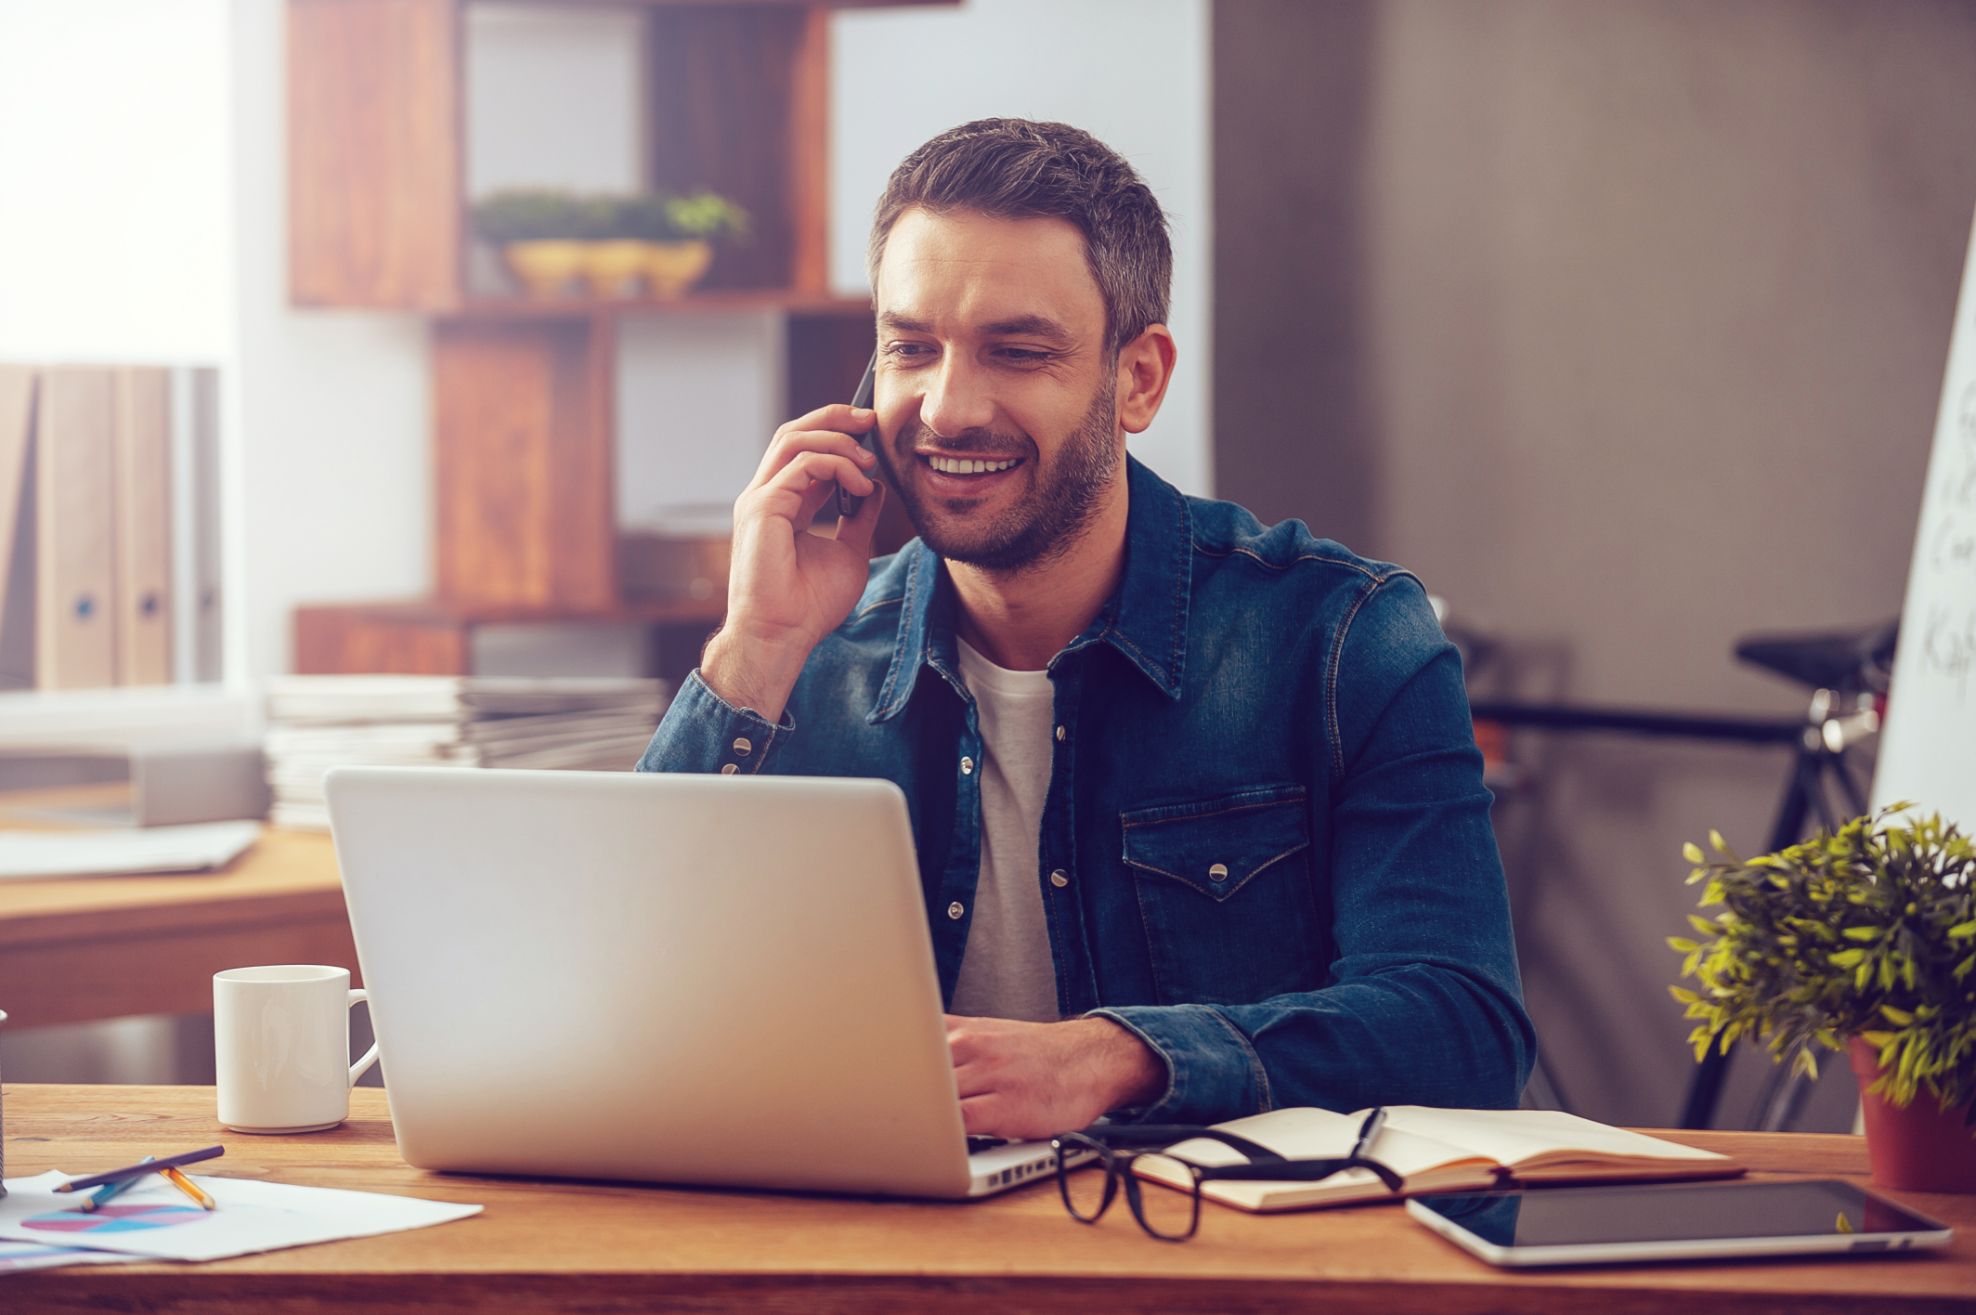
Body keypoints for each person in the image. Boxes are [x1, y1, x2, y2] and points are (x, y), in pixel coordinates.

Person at [638, 118, 1535, 1140]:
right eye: (910, 349)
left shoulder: (1345, 639)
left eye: (1015, 352)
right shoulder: (801, 652)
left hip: (1211, 1268)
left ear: (1137, 379)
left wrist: (1118, 1058)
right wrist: (752, 648)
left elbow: (1461, 1030)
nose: (945, 408)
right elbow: (614, 1006)